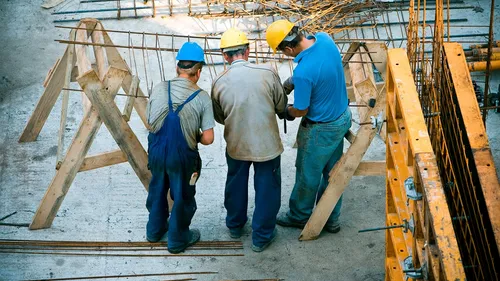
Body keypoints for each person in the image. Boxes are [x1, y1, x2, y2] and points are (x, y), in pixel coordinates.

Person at [265, 19, 352, 233]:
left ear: (287, 48)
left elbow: (301, 110)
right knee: (333, 173)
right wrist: (294, 80)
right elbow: (322, 67)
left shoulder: (304, 72)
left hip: (320, 130)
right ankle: (331, 219)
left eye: (283, 52)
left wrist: (287, 112)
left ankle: (299, 215)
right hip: (341, 117)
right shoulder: (324, 38)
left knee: (307, 174)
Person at [211, 28, 287, 252]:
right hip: (267, 144)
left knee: (235, 183)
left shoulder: (219, 81)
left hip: (237, 143)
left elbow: (219, 117)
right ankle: (261, 237)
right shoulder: (268, 72)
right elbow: (280, 106)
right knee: (267, 187)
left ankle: (235, 225)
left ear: (225, 56)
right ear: (248, 50)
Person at [145, 42, 215, 253]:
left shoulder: (159, 88)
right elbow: (209, 138)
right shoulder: (202, 97)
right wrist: (195, 135)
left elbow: (150, 121)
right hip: (182, 158)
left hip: (156, 152)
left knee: (157, 190)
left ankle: (154, 231)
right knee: (183, 195)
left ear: (177, 68)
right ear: (199, 72)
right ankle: (177, 239)